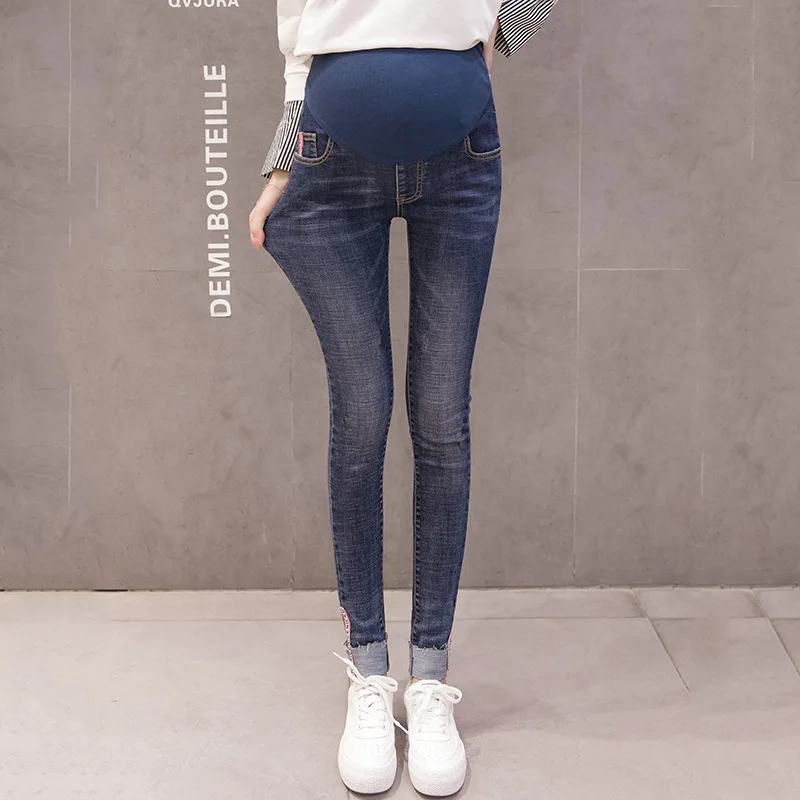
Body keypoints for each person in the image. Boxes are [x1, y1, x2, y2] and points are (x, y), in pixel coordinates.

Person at [248, 1, 559, 795]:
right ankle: (368, 673)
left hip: (461, 152)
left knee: (442, 420)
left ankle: (429, 678)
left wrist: (486, 41)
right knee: (361, 416)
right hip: (328, 154)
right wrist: (282, 164)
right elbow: (298, 41)